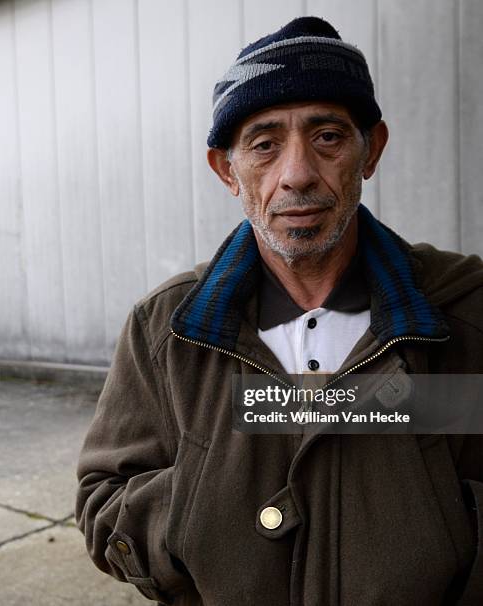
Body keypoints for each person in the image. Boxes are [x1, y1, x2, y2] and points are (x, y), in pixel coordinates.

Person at [76, 17, 483, 605]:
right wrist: (192, 515)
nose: (296, 174)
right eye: (264, 145)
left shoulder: (465, 310)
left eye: (328, 138)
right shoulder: (166, 331)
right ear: (227, 170)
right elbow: (103, 497)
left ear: (371, 150)